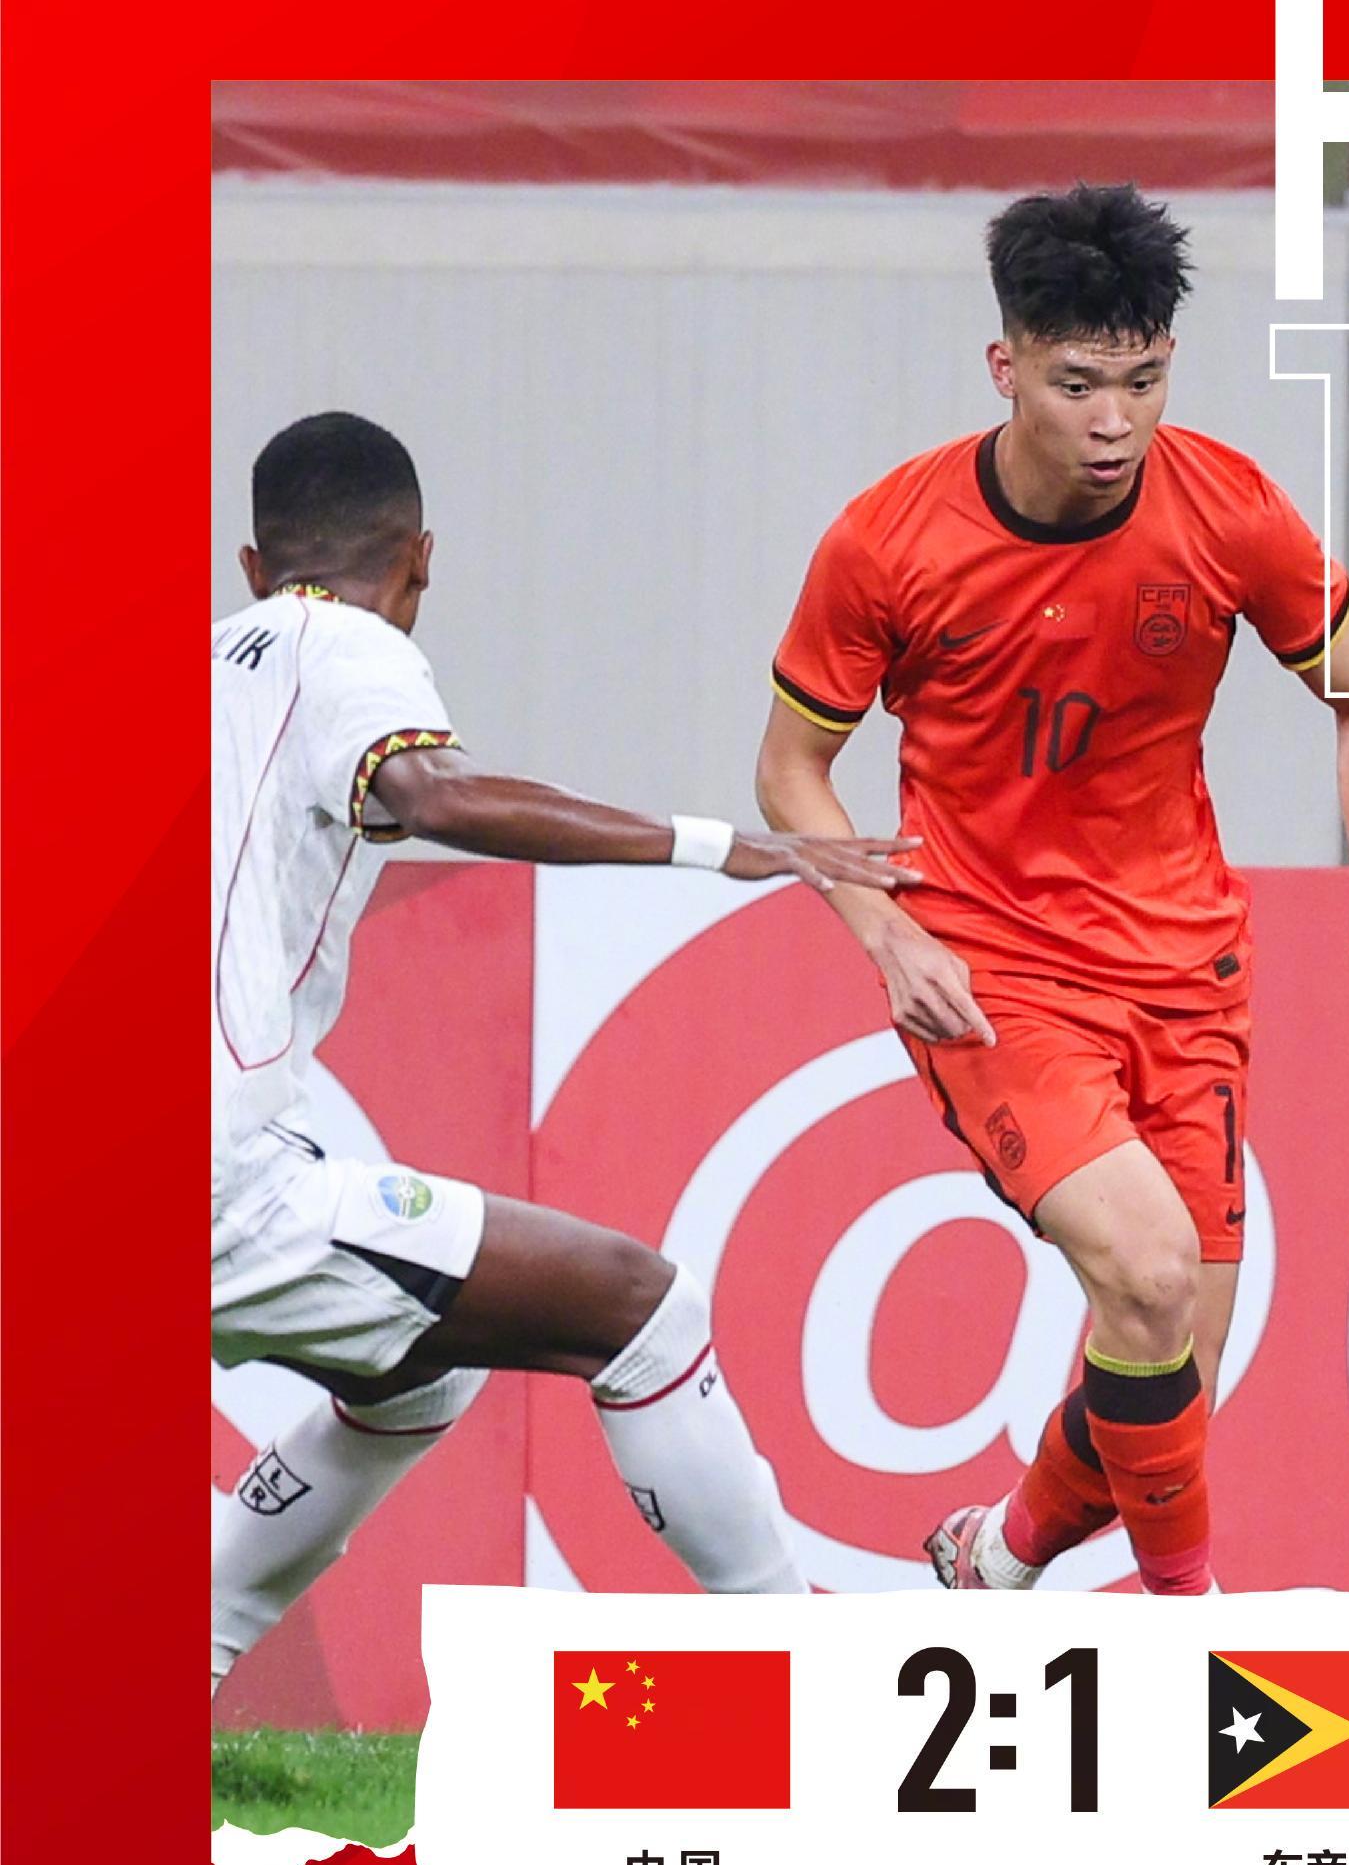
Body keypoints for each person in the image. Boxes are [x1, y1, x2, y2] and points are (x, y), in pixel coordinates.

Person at [755, 184, 1349, 1598]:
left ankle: (998, 1554)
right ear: (1005, 367)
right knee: (1152, 1275)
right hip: (991, 971)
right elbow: (792, 771)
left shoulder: (1227, 510)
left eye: (1144, 380)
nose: (1114, 421)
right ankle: (1186, 1627)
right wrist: (885, 931)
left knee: (1168, 1376)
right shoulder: (888, 542)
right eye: (1077, 385)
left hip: (1185, 970)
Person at [211, 411, 918, 1695]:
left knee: (411, 1375)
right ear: (421, 560)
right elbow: (431, 792)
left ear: (252, 564)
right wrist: (722, 844)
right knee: (640, 1307)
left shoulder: (211, 663)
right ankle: (814, 1685)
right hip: (219, 1177)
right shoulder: (349, 642)